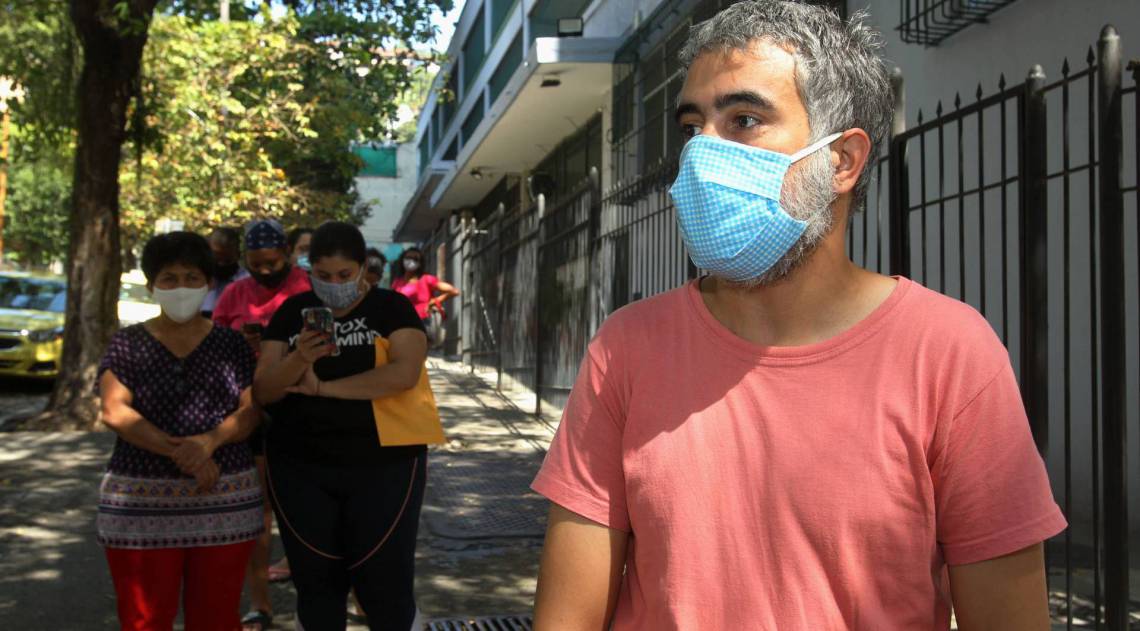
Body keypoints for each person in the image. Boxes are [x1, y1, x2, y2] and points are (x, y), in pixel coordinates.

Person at [530, 3, 1067, 630]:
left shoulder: (948, 352)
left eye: (745, 120)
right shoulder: (627, 347)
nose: (702, 155)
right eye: (690, 126)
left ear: (842, 161)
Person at [254, 221, 429, 631]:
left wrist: (323, 388)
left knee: (384, 586)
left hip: (386, 465)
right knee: (317, 587)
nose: (334, 285)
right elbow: (264, 390)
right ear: (308, 270)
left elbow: (404, 374)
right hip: (300, 468)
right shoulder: (291, 313)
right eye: (323, 276)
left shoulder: (392, 308)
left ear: (364, 267)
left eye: (344, 275)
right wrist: (299, 358)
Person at [97, 231, 262, 631]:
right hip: (140, 504)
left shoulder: (232, 344)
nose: (181, 287)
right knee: (143, 620)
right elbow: (113, 409)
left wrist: (209, 442)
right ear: (152, 285)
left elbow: (252, 408)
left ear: (208, 283)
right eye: (169, 278)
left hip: (224, 502)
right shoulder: (128, 344)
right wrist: (185, 454)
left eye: (192, 277)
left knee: (217, 618)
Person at [211, 219, 311, 631]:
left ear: (287, 253)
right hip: (250, 406)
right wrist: (243, 345)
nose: (265, 271)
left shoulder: (309, 286)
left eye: (272, 263)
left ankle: (340, 598)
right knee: (259, 510)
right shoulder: (234, 292)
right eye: (256, 264)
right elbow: (212, 343)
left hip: (304, 406)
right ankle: (261, 603)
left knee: (310, 509)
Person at [391, 247, 459, 327]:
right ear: (402, 260)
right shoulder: (397, 283)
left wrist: (435, 301)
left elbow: (454, 291)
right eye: (408, 258)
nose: (410, 262)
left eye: (414, 259)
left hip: (424, 322)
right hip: (402, 322)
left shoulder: (426, 279)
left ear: (420, 263)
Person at [202, 227, 248, 318]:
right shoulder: (196, 280)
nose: (222, 264)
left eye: (227, 260)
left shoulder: (246, 281)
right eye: (217, 259)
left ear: (238, 255)